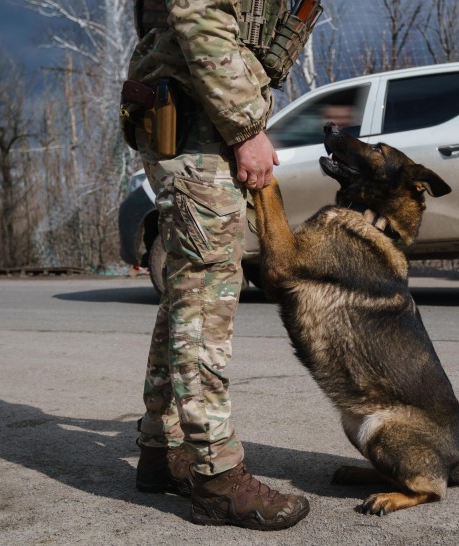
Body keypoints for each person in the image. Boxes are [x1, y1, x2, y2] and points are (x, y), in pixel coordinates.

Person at [126, 0, 310, 531]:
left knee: (189, 289)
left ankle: (163, 450)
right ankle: (217, 478)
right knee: (206, 297)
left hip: (192, 115)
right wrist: (247, 127)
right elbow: (199, 16)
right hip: (198, 122)